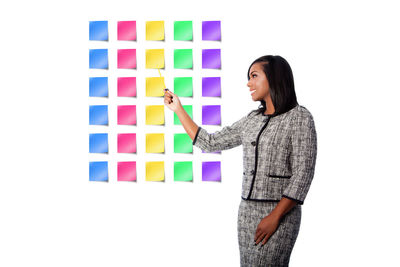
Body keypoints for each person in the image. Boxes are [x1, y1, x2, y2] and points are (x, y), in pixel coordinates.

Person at [164, 55, 317, 266]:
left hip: (280, 213)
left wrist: (275, 217)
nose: (248, 83)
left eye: (254, 76)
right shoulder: (252, 120)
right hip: (246, 213)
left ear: (274, 77)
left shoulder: (299, 117)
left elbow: (304, 172)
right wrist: (178, 109)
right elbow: (210, 142)